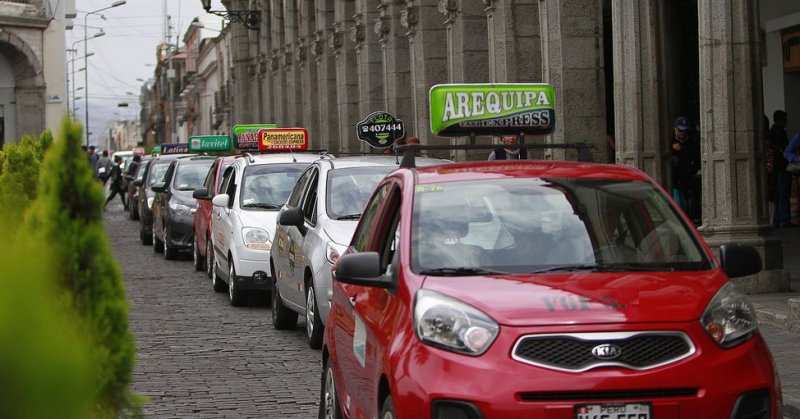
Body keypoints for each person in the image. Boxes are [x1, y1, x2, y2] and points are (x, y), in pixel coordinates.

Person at [669, 116, 700, 221]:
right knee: (678, 204)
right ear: (675, 129)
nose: (683, 133)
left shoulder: (691, 143)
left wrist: (682, 149)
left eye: (685, 130)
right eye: (681, 130)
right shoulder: (670, 142)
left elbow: (695, 159)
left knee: (686, 204)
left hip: (687, 179)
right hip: (674, 180)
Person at [767, 110, 794, 227]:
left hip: (773, 168)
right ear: (781, 120)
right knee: (783, 193)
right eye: (785, 120)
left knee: (776, 195)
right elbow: (785, 150)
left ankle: (777, 219)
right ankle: (784, 219)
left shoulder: (770, 133)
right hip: (782, 167)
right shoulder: (780, 133)